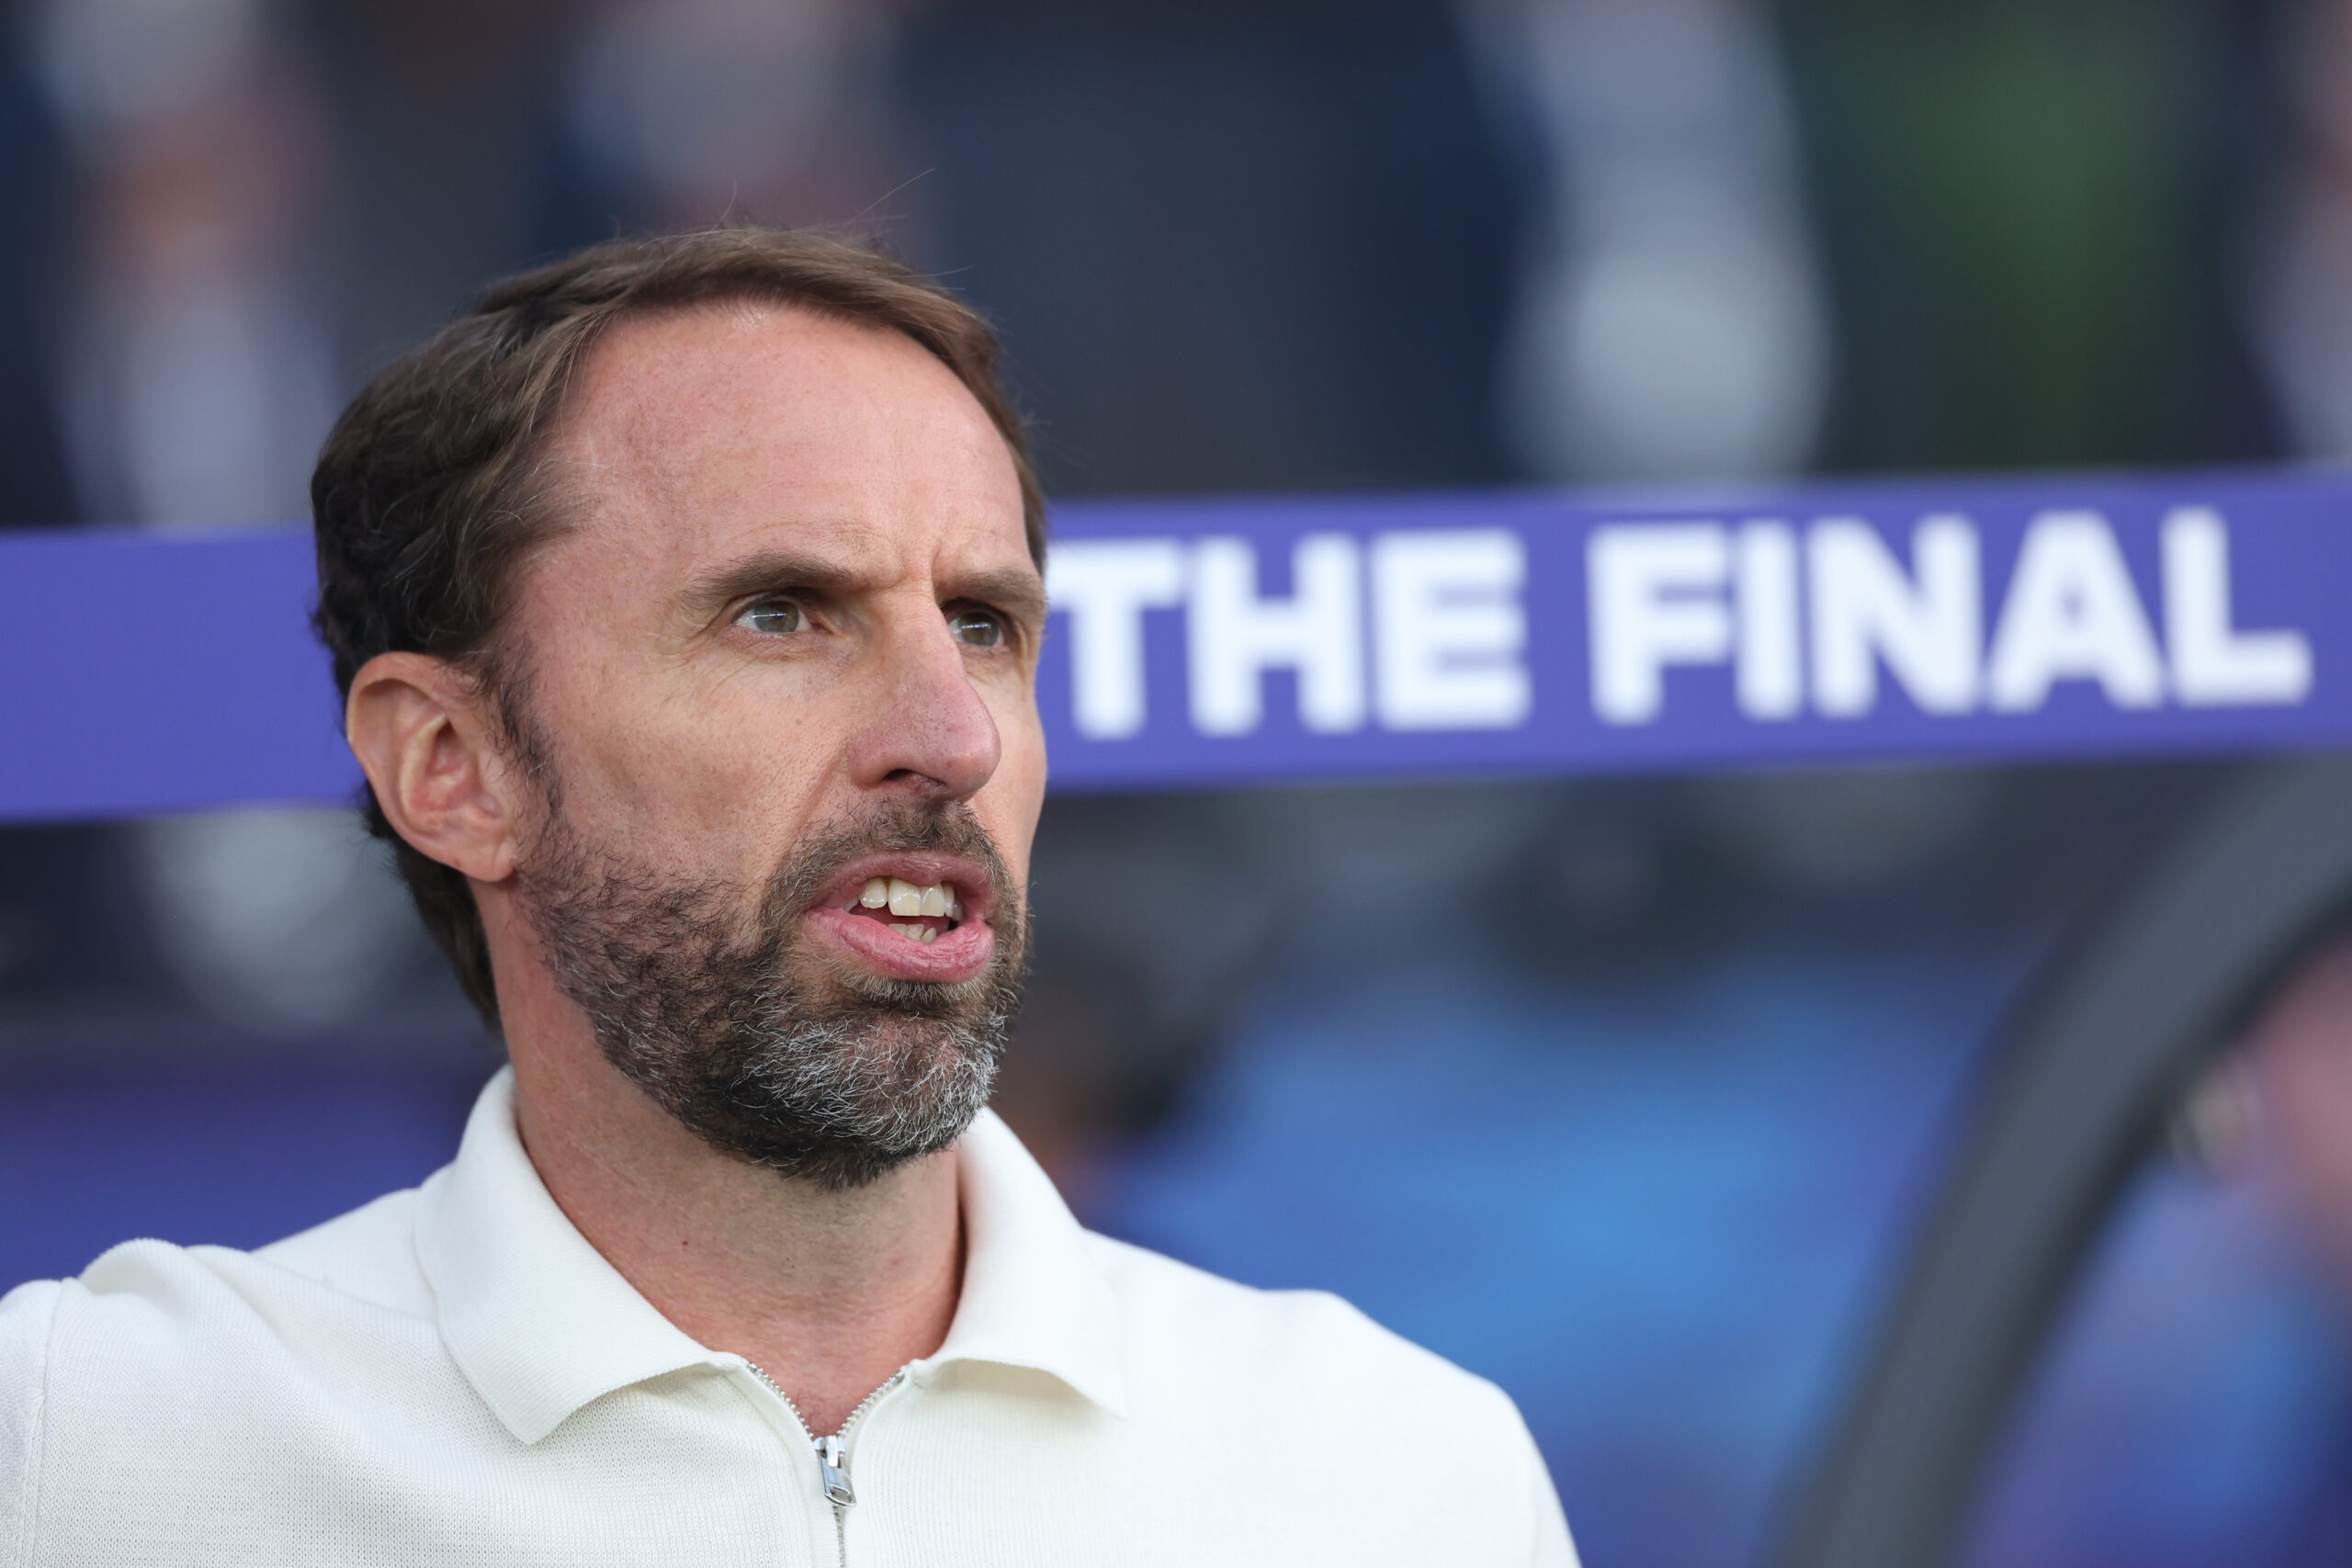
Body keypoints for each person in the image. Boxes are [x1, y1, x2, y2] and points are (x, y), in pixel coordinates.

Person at [0, 226, 1577, 1566]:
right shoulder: (91, 1442)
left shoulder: (1398, 1479)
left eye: (983, 623)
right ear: (454, 765)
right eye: (781, 614)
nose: (949, 736)